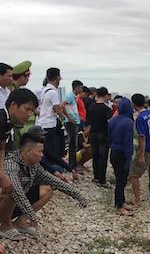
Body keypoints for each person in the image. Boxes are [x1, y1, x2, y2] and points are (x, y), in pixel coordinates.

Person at [0, 127, 87, 239]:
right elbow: (17, 192)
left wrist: (78, 195)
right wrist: (33, 217)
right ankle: (5, 226)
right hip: (7, 200)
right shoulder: (11, 164)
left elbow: (53, 180)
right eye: (40, 151)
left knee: (47, 190)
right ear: (28, 151)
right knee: (12, 189)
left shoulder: (34, 165)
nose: (42, 155)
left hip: (16, 202)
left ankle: (20, 223)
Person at [0, 89, 39, 241]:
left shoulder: (8, 122)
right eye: (27, 109)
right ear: (14, 105)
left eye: (32, 111)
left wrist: (2, 174)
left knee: (13, 184)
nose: (30, 114)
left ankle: (5, 224)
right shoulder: (1, 119)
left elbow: (1, 148)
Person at [108, 97, 135, 216]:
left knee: (119, 178)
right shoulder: (128, 122)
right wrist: (129, 160)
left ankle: (122, 201)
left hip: (114, 152)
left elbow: (108, 138)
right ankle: (119, 206)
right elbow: (128, 143)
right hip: (122, 153)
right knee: (121, 180)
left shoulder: (113, 120)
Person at [86, 86, 113, 187]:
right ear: (106, 96)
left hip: (93, 133)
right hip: (103, 134)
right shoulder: (107, 109)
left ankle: (96, 177)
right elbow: (110, 123)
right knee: (103, 157)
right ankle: (102, 180)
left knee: (95, 156)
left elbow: (88, 122)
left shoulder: (91, 107)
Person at [64, 80, 84, 173]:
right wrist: (69, 118)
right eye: (80, 87)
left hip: (74, 122)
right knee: (73, 145)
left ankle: (73, 165)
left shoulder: (73, 97)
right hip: (71, 123)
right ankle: (72, 166)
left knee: (73, 145)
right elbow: (61, 106)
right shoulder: (70, 96)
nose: (81, 89)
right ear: (76, 87)